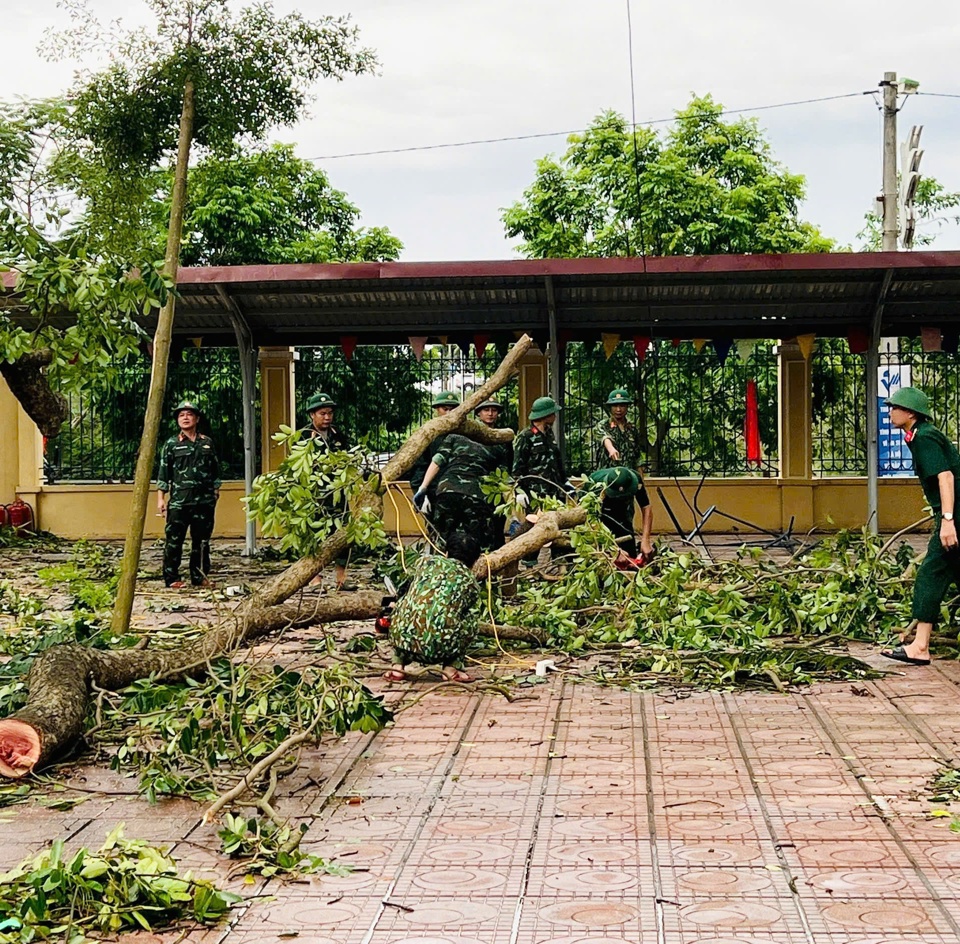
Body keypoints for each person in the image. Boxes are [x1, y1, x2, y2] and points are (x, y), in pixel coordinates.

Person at [881, 386, 960, 666]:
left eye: (895, 407)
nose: (890, 411)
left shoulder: (924, 437)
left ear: (910, 412)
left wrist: (948, 521)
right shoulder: (919, 435)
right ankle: (920, 644)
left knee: (929, 575)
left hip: (955, 514)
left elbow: (946, 478)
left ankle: (920, 646)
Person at [384, 531, 483, 683]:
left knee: (404, 609)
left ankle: (397, 666)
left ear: (446, 552)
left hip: (402, 642)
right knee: (470, 618)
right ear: (475, 560)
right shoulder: (471, 583)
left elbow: (404, 589)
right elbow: (460, 612)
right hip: (438, 649)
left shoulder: (425, 562)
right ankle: (451, 669)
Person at [157, 399, 221, 589]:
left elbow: (215, 470)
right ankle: (171, 578)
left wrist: (216, 491)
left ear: (197, 418)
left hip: (204, 502)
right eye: (181, 415)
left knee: (201, 542)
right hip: (179, 502)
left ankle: (199, 576)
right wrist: (161, 499)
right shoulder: (171, 445)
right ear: (177, 420)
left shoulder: (207, 443)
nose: (185, 418)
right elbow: (163, 473)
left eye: (189, 414)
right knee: (174, 541)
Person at [593, 388, 654, 560]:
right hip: (608, 484)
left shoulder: (631, 429)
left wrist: (640, 482)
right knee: (605, 520)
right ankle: (609, 554)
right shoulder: (603, 425)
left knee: (626, 522)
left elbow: (637, 457)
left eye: (622, 405)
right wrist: (611, 448)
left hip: (629, 483)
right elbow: (604, 437)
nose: (618, 409)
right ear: (609, 408)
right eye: (615, 406)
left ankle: (628, 555)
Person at [414, 434, 501, 550]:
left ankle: (439, 564)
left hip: (447, 491)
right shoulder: (497, 446)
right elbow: (501, 478)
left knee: (441, 539)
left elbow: (437, 461)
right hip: (476, 495)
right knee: (478, 542)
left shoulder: (453, 438)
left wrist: (423, 487)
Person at [301, 391, 352, 589]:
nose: (327, 417)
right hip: (315, 494)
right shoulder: (304, 437)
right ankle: (315, 578)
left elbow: (348, 459)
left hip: (338, 493)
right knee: (316, 535)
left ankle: (341, 578)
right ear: (312, 415)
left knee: (343, 534)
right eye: (322, 413)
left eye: (330, 413)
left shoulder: (338, 436)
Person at [588, 466, 653, 563]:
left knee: (630, 561)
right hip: (602, 519)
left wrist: (645, 540)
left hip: (624, 516)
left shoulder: (635, 479)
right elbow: (590, 520)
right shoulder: (594, 486)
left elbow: (646, 507)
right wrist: (614, 550)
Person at [409, 390, 461, 502]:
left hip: (460, 490)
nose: (448, 413)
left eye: (452, 409)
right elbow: (420, 466)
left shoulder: (465, 433)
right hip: (435, 491)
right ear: (437, 409)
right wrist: (421, 492)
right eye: (445, 409)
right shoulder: (430, 434)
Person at [512, 396, 567, 502]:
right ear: (546, 415)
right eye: (553, 413)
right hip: (535, 494)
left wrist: (565, 482)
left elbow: (557, 461)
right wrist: (519, 491)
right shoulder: (526, 436)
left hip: (554, 493)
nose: (555, 416)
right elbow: (517, 468)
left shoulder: (549, 434)